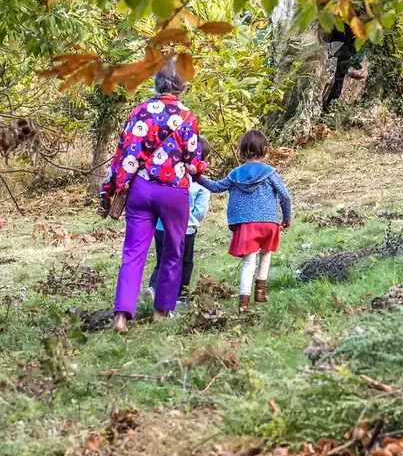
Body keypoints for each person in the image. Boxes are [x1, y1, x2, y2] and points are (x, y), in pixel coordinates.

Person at [100, 66, 206, 334]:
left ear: (158, 83)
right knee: (173, 251)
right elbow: (193, 162)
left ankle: (121, 317)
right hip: (173, 192)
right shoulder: (187, 117)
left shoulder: (140, 111)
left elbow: (124, 155)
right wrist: (199, 167)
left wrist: (110, 188)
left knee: (133, 253)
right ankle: (161, 311)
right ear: (182, 85)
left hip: (141, 190)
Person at [199, 131, 294, 308]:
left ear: (242, 151)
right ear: (265, 150)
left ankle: (244, 301)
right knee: (266, 254)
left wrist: (197, 177)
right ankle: (261, 292)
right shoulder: (270, 172)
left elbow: (216, 187)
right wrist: (287, 217)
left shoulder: (235, 174)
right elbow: (285, 196)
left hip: (246, 224)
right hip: (269, 222)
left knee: (249, 261)